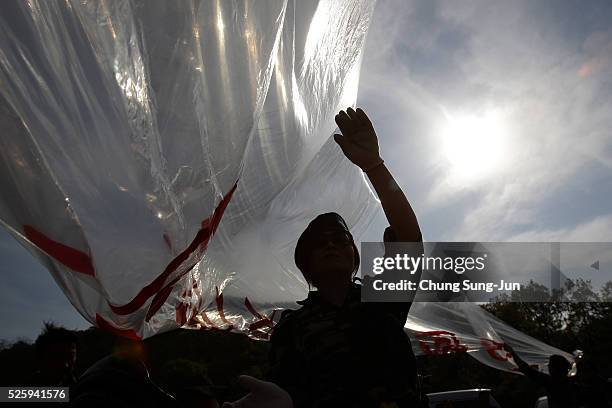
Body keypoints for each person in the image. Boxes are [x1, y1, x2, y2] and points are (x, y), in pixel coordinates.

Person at [267, 107, 423, 407]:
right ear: (305, 262)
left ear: (355, 256)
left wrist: (374, 165)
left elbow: (409, 240)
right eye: (319, 242)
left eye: (341, 239)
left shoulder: (381, 300)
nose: (331, 245)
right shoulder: (291, 328)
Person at [505, 344, 578, 408]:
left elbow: (528, 371)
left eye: (550, 365)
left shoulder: (552, 382)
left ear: (556, 368)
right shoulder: (572, 383)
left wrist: (512, 353)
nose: (548, 366)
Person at [29, 322, 78, 387]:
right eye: (58, 357)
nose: (66, 365)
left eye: (70, 357)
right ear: (41, 358)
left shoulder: (80, 387)